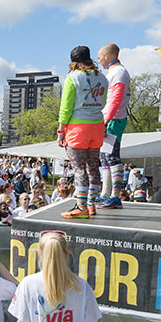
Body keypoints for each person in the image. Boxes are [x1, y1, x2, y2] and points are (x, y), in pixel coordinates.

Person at [58, 45, 107, 219]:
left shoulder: (73, 78)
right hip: (97, 125)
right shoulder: (102, 77)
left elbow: (66, 107)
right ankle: (91, 204)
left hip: (78, 127)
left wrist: (61, 131)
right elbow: (105, 101)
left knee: (79, 169)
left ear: (73, 62)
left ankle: (81, 207)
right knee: (93, 167)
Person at [95, 43, 131, 210]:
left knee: (112, 158)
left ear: (108, 56)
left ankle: (115, 196)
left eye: (100, 57)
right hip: (110, 119)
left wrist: (105, 121)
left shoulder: (118, 72)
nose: (99, 61)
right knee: (104, 158)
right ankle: (105, 193)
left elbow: (115, 100)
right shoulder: (114, 72)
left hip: (114, 120)